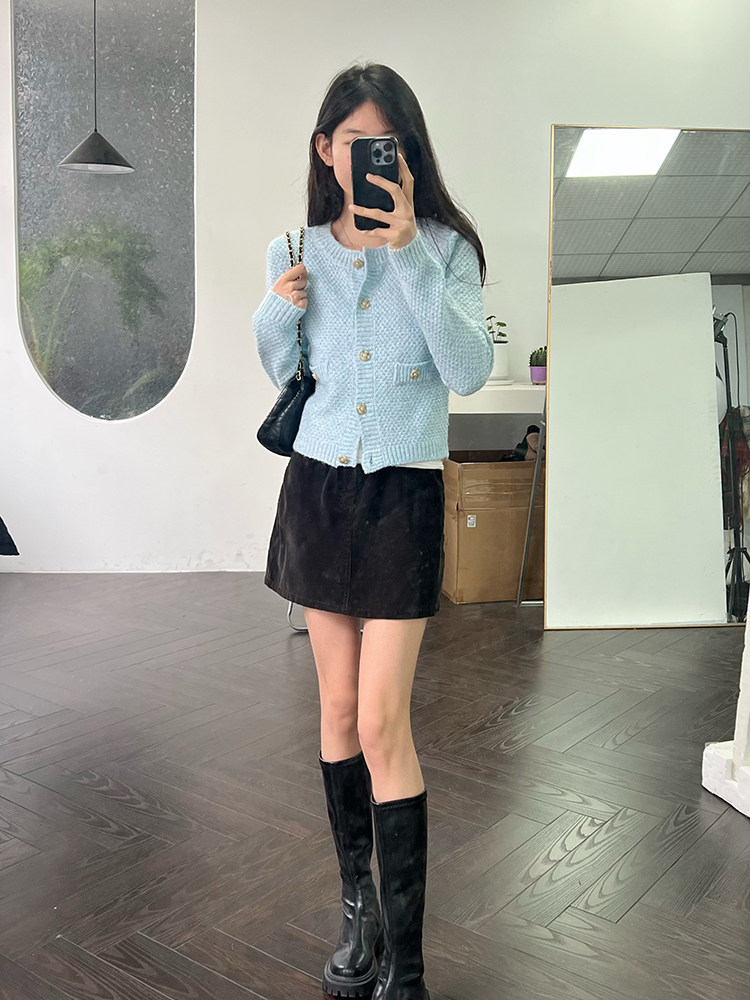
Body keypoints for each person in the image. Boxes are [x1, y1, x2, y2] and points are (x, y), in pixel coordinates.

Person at [252, 62, 492, 1000]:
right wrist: (277, 305)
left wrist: (407, 252)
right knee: (338, 713)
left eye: (385, 141)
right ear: (327, 150)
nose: (368, 156)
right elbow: (282, 367)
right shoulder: (295, 246)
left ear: (409, 149)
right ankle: (360, 912)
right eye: (353, 141)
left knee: (385, 721)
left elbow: (467, 370)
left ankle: (409, 965)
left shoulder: (446, 248)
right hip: (318, 494)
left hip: (403, 499)